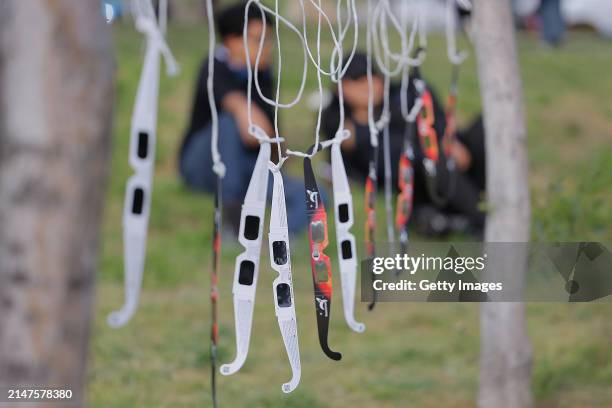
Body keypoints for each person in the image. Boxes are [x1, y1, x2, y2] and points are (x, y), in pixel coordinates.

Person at [321, 53, 486, 237]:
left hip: (456, 162)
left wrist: (448, 139)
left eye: (371, 78)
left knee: (483, 127)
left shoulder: (401, 95)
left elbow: (433, 118)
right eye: (356, 82)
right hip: (421, 183)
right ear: (340, 88)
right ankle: (483, 219)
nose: (366, 88)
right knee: (429, 161)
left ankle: (488, 203)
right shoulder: (338, 122)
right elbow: (391, 153)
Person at [179, 3, 309, 234]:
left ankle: (281, 243)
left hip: (246, 166)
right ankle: (230, 218)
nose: (266, 48)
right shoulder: (213, 66)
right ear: (231, 40)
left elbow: (271, 135)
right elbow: (248, 121)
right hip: (204, 165)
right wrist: (257, 125)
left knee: (310, 194)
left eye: (268, 40)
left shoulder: (263, 74)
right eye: (258, 40)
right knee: (229, 124)